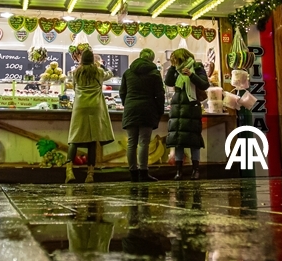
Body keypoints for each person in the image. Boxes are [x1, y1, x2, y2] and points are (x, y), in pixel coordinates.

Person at [67, 49, 115, 183]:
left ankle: (69, 172)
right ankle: (90, 175)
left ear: (81, 60)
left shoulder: (76, 72)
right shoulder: (98, 72)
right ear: (93, 60)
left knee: (74, 138)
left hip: (80, 106)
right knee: (93, 140)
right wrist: (101, 64)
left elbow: (74, 88)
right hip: (95, 107)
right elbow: (110, 74)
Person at [119, 48, 165, 182]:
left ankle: (133, 172)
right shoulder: (155, 74)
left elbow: (122, 92)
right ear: (151, 59)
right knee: (144, 142)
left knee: (131, 143)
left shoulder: (128, 73)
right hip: (147, 110)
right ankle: (143, 172)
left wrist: (127, 104)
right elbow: (160, 95)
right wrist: (159, 111)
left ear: (139, 56)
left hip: (131, 109)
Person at [165, 48, 210, 180]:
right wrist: (172, 68)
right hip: (177, 108)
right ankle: (179, 171)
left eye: (176, 60)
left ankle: (196, 170)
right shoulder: (176, 70)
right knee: (178, 140)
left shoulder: (197, 67)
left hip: (191, 107)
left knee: (194, 140)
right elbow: (168, 82)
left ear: (183, 58)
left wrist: (191, 75)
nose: (175, 62)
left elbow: (204, 84)